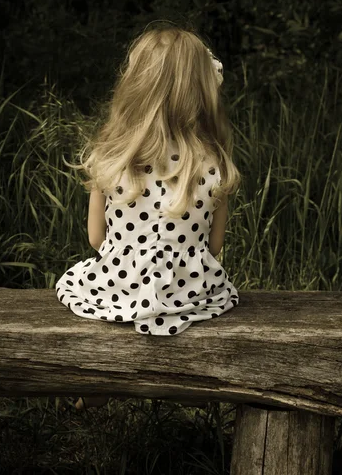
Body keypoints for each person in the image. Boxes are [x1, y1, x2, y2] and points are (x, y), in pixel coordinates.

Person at [56, 23, 241, 410]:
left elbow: (95, 238)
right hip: (189, 296)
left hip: (117, 288)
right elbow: (215, 245)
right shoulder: (214, 165)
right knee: (215, 293)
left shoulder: (111, 160)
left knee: (80, 283)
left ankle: (101, 379)